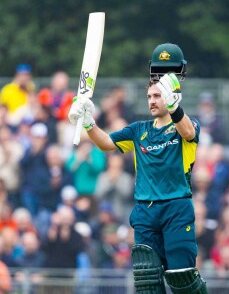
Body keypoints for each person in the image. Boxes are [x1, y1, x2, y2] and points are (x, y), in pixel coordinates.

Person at [68, 43, 208, 293]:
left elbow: (187, 131)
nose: (152, 101)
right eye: (150, 97)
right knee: (147, 283)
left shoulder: (187, 124)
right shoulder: (138, 130)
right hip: (144, 210)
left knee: (181, 278)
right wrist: (88, 122)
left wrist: (175, 108)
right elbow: (107, 143)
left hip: (176, 206)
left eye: (158, 96)